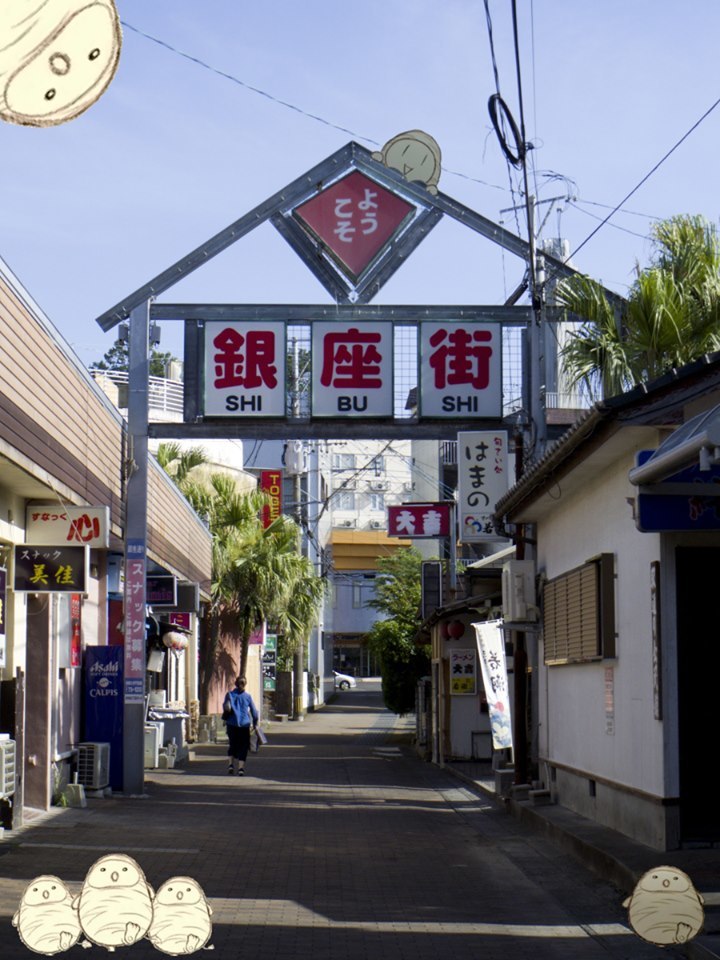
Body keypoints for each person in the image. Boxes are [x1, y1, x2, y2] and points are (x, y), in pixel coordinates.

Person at [223, 676, 259, 776]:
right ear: (245, 684)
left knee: (232, 744)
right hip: (244, 725)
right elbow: (254, 712)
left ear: (236, 683)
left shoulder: (229, 695)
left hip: (231, 724)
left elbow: (225, 707)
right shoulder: (247, 697)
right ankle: (241, 768)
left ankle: (230, 765)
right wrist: (255, 723)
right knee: (243, 747)